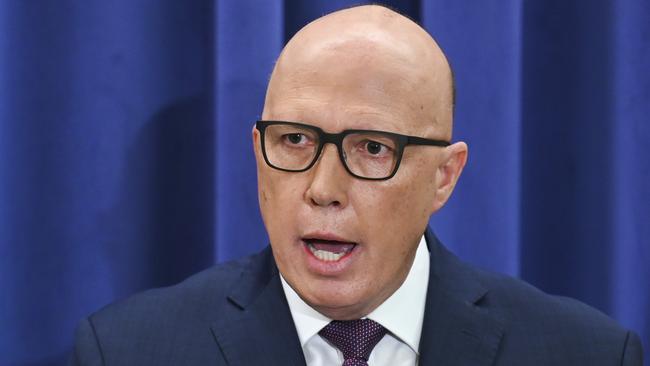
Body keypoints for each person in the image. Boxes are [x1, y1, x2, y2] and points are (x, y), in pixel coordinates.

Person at [70, 5, 643, 366]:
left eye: (372, 148)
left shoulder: (582, 352)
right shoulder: (126, 350)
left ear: (444, 177)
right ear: (257, 152)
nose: (323, 189)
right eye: (294, 140)